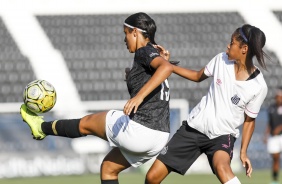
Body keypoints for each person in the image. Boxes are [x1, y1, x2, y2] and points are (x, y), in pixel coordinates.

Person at [20, 12, 174, 184]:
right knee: (108, 168)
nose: (124, 40)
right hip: (160, 137)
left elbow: (166, 69)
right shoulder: (154, 54)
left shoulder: (144, 52)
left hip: (142, 131)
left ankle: (41, 127)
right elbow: (163, 72)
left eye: (126, 33)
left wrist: (138, 97)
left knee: (87, 123)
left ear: (135, 33)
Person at [145, 24, 269, 184]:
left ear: (244, 48)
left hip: (222, 136)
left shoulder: (259, 86)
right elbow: (197, 76)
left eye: (232, 42)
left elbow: (249, 121)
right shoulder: (220, 59)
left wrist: (243, 152)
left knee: (222, 168)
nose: (228, 45)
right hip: (193, 128)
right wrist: (169, 66)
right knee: (152, 177)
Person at [264, 87, 282, 184]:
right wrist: (266, 135)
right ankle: (275, 180)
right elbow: (269, 123)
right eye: (277, 97)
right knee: (275, 158)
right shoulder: (271, 108)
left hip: (281, 136)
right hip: (273, 137)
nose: (278, 99)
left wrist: (279, 128)